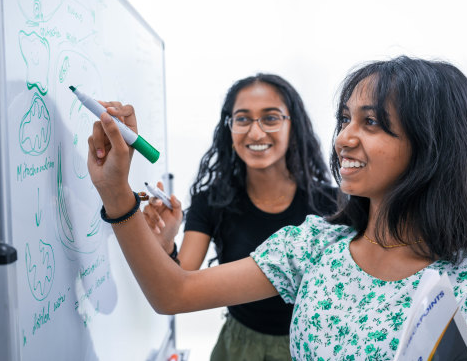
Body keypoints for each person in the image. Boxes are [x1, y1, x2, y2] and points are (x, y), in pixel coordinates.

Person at [87, 56, 467, 360]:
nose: (343, 137)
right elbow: (175, 289)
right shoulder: (311, 244)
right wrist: (115, 192)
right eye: (345, 119)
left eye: (372, 122)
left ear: (433, 148)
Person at [142, 74, 338, 360]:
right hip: (238, 348)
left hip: (310, 347)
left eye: (270, 118)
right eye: (243, 119)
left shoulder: (332, 204)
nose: (255, 133)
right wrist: (166, 243)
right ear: (229, 128)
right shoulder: (212, 201)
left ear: (292, 126)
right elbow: (182, 281)